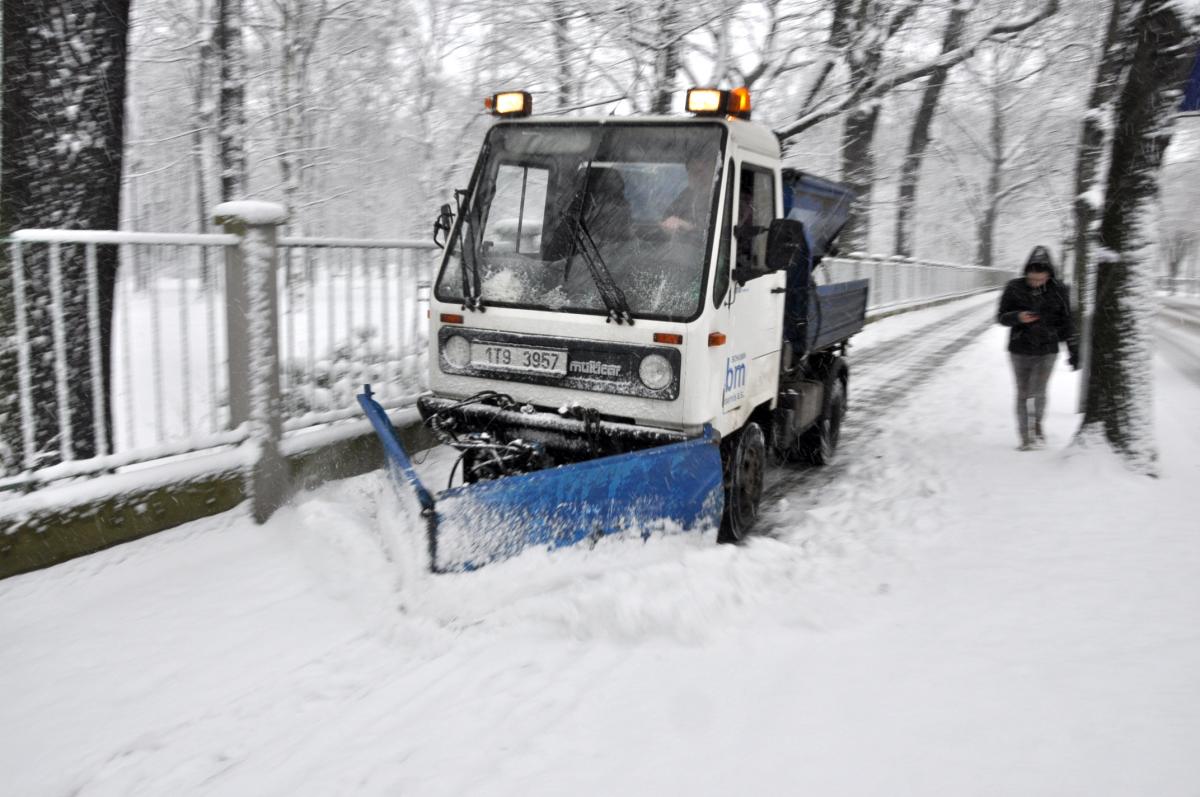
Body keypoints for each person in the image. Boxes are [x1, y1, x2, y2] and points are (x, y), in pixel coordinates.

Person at [997, 245, 1079, 450]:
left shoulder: (1060, 290)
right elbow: (1000, 317)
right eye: (1032, 278)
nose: (1035, 282)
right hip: (1019, 349)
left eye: (1040, 279)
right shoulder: (1014, 287)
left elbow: (1067, 322)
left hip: (1047, 351)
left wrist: (1073, 350)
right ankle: (1025, 438)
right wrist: (1018, 317)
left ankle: (1038, 426)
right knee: (1023, 394)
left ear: (1049, 275)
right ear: (1026, 272)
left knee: (1040, 392)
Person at [660, 157, 713, 233]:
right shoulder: (687, 194)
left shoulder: (722, 196)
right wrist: (668, 224)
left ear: (713, 171)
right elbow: (666, 217)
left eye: (701, 171)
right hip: (681, 243)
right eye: (693, 172)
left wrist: (687, 226)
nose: (698, 176)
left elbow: (714, 236)